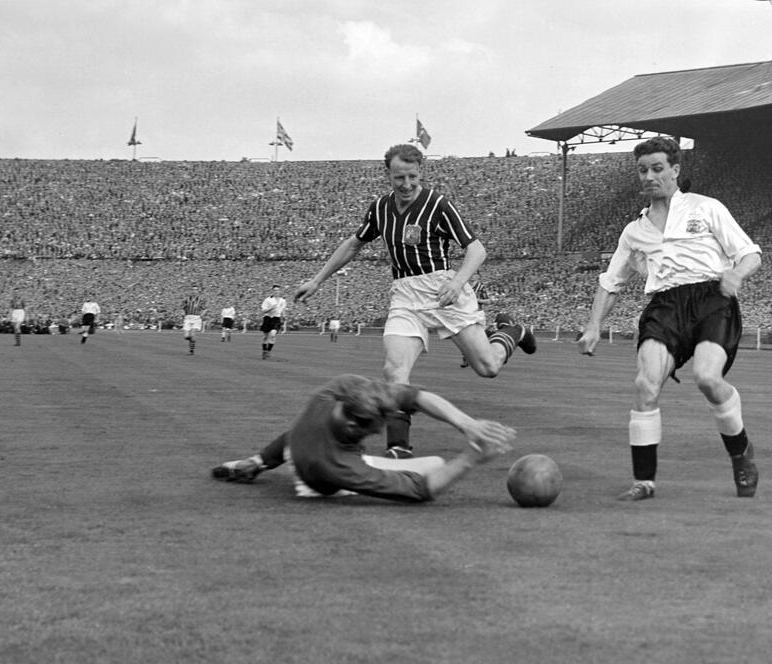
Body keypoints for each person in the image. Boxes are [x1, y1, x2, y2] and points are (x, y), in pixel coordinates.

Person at [295, 144, 535, 459]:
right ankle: (399, 446)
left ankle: (513, 331)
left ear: (421, 172)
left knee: (488, 367)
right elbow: (354, 244)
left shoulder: (438, 204)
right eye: (399, 178)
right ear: (388, 175)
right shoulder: (380, 209)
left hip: (444, 289)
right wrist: (317, 279)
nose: (406, 184)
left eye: (412, 176)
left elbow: (477, 250)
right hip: (406, 294)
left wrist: (457, 282)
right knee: (394, 369)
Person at [577, 136, 762, 501]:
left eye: (657, 168)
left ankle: (741, 453)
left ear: (675, 171)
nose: (649, 176)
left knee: (708, 378)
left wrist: (736, 275)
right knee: (646, 384)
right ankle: (644, 482)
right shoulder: (634, 231)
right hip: (665, 306)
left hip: (713, 298)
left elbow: (750, 254)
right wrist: (594, 324)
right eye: (643, 170)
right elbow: (610, 282)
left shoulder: (706, 208)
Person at [211, 374, 515, 502]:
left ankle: (252, 462)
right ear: (355, 425)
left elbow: (417, 396)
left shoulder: (339, 390)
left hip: (297, 450)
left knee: (298, 440)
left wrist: (468, 424)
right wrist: (470, 458)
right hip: (314, 480)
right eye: (374, 429)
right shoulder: (335, 465)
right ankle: (257, 462)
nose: (379, 433)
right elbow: (418, 490)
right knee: (435, 465)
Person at [460, 271, 492, 368]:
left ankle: (487, 356)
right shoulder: (464, 286)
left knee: (480, 338)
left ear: (478, 276)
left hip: (477, 314)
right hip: (466, 313)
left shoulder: (481, 287)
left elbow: (488, 301)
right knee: (465, 337)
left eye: (474, 274)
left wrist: (477, 300)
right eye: (471, 274)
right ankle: (466, 358)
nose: (472, 276)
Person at [260, 286, 287, 360]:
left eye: (278, 290)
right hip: (267, 318)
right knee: (266, 337)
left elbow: (283, 309)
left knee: (272, 335)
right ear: (272, 291)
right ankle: (264, 351)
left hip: (276, 318)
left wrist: (284, 316)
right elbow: (263, 310)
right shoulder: (268, 300)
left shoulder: (282, 301)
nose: (276, 292)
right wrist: (270, 308)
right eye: (275, 290)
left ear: (280, 291)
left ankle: (268, 351)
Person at [181, 286, 207, 355]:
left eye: (195, 290)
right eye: (193, 289)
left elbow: (205, 309)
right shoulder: (187, 299)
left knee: (193, 333)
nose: (194, 291)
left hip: (196, 318)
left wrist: (201, 315)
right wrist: (183, 313)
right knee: (186, 336)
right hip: (188, 317)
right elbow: (182, 308)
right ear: (190, 291)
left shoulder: (201, 300)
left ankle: (191, 350)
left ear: (198, 291)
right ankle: (192, 341)